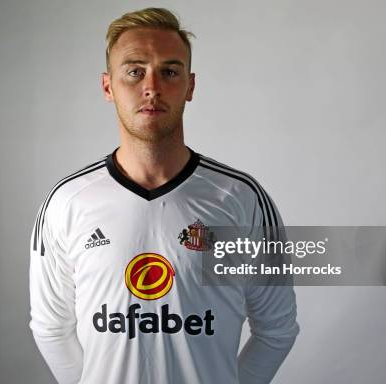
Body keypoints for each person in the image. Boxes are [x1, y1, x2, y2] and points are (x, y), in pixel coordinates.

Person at [29, 7, 299, 384]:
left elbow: (277, 330)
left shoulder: (241, 198)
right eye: (134, 71)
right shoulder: (67, 202)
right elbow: (51, 328)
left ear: (190, 86)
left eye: (169, 72)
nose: (151, 86)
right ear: (108, 87)